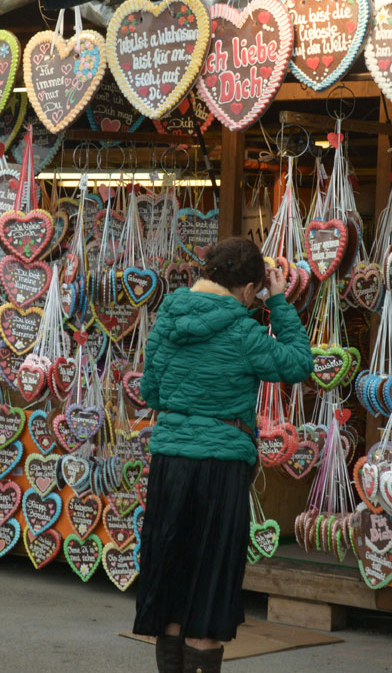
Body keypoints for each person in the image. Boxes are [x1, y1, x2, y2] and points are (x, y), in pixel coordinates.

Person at [133, 237, 314, 673]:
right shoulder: (244, 331)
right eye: (257, 290)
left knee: (173, 572)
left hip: (171, 463)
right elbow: (298, 364)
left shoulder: (167, 319)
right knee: (210, 576)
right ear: (250, 288)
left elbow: (150, 391)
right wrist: (279, 301)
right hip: (221, 466)